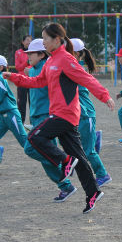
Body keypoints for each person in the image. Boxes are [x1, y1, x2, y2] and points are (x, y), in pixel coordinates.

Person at [4, 22, 115, 214]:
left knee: (34, 138)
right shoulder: (51, 62)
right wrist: (15, 78)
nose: (43, 42)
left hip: (65, 114)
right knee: (79, 158)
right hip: (61, 115)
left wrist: (105, 96)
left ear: (57, 39)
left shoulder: (66, 59)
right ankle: (93, 193)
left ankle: (65, 161)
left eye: (46, 38)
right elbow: (38, 81)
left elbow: (86, 79)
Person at [22, 38, 77, 202]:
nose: (28, 56)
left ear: (41, 54)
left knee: (31, 149)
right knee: (43, 153)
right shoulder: (33, 70)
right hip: (37, 115)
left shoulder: (50, 68)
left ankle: (66, 166)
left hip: (48, 116)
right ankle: (65, 180)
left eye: (31, 53)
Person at [71, 38, 112, 187]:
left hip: (85, 114)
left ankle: (102, 174)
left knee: (88, 151)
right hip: (78, 114)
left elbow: (94, 85)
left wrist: (105, 97)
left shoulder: (76, 69)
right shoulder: (74, 66)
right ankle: (95, 137)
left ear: (75, 53)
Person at [15, 35, 32, 123]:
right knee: (21, 103)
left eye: (30, 40)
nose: (29, 42)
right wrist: (27, 62)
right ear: (23, 42)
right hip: (21, 81)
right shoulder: (18, 52)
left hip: (32, 81)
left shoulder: (34, 52)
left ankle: (33, 123)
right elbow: (18, 67)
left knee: (32, 102)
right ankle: (21, 122)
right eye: (27, 40)